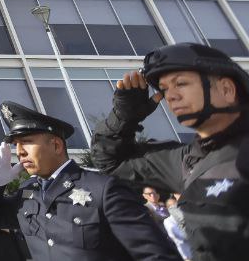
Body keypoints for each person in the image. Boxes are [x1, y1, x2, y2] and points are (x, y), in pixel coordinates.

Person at [91, 42, 249, 261]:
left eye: (181, 83)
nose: (171, 96)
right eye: (164, 89)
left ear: (227, 90)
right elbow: (110, 161)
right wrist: (124, 117)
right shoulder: (188, 160)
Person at [0, 101, 180, 261]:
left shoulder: (102, 188)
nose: (20, 151)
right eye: (16, 145)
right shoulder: (28, 192)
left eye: (27, 142)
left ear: (56, 145)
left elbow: (155, 254)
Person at [164, 194, 192, 261]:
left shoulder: (186, 215)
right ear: (168, 208)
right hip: (187, 253)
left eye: (176, 205)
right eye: (172, 206)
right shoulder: (168, 221)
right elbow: (179, 236)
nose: (175, 207)